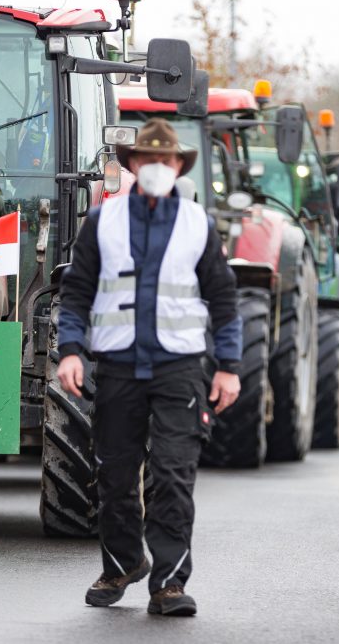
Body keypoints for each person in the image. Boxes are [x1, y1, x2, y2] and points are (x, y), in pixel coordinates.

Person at [55, 118, 242, 617]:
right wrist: (70, 350)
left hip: (179, 367)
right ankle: (121, 564)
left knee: (173, 475)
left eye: (168, 160)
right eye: (149, 160)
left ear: (179, 166)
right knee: (114, 475)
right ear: (133, 165)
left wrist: (229, 366)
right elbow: (75, 293)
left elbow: (223, 299)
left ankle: (169, 584)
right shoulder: (103, 221)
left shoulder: (197, 223)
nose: (159, 167)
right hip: (116, 366)